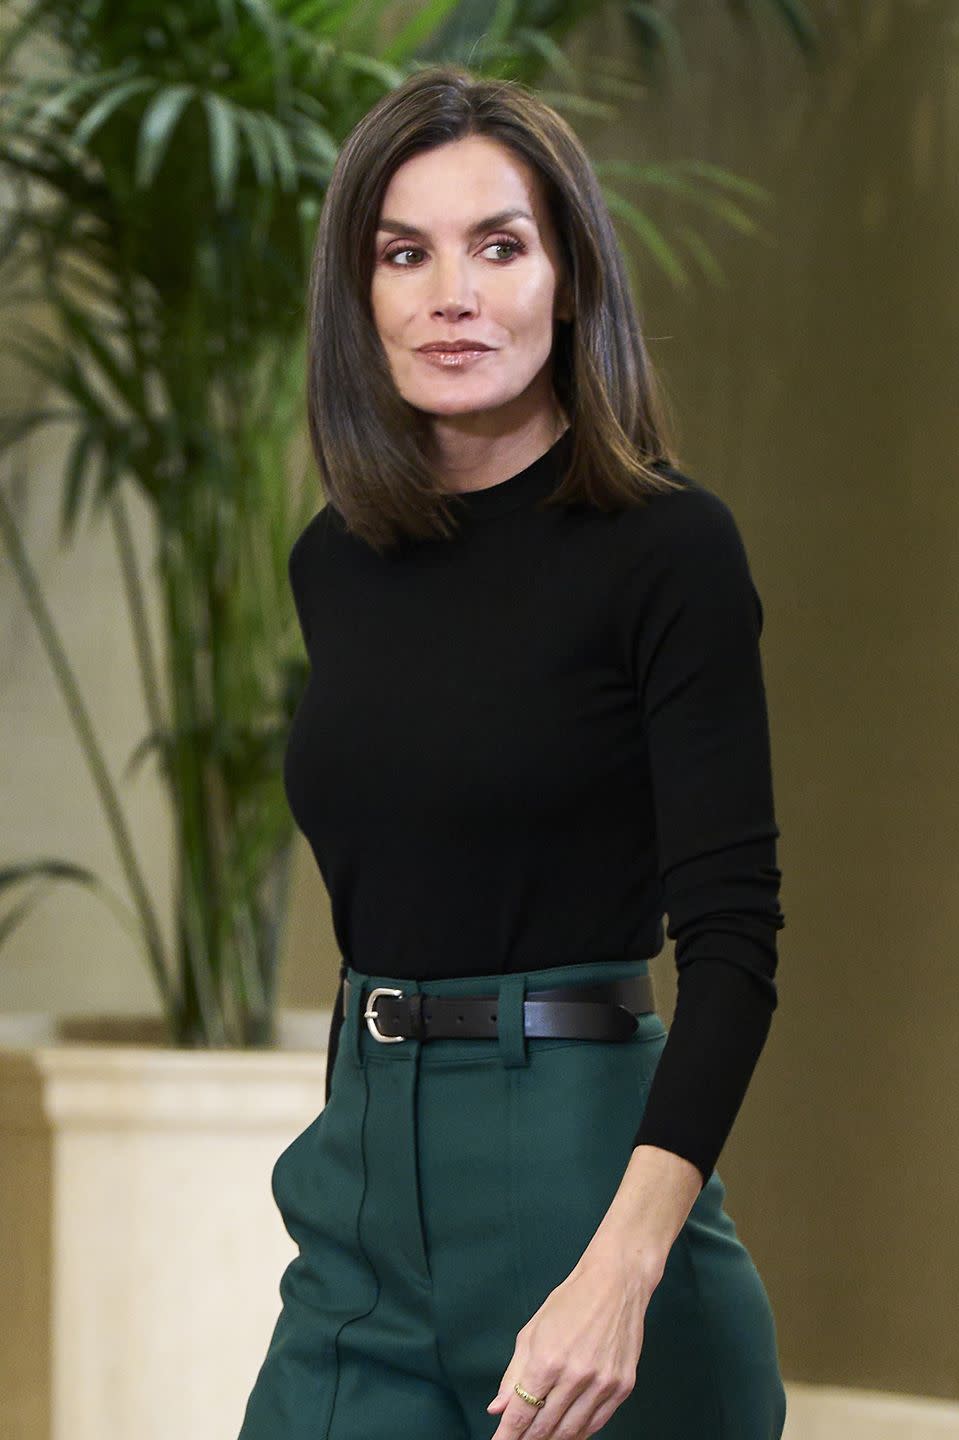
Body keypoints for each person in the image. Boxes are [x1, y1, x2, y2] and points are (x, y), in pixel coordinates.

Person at [238, 62, 788, 1440]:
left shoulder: (668, 552)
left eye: (500, 244)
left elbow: (734, 944)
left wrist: (620, 1273)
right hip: (361, 1197)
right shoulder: (336, 566)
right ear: (360, 298)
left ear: (569, 279)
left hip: (582, 1169)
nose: (451, 293)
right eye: (403, 253)